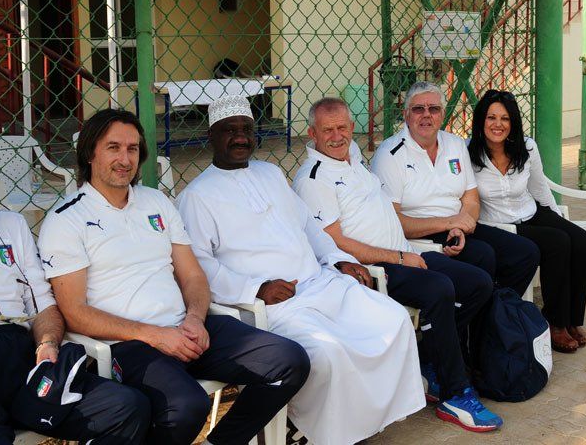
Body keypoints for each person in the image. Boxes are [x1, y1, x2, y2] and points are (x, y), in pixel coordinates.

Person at [37, 109, 310, 445]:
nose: (125, 159)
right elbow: (74, 311)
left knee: (289, 361)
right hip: (128, 345)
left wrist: (195, 319)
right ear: (90, 152)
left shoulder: (157, 202)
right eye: (113, 148)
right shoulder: (66, 219)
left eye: (133, 149)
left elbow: (193, 275)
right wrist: (155, 336)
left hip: (187, 327)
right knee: (186, 406)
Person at [177, 95, 424, 445]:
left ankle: (363, 423)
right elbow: (200, 266)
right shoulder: (196, 196)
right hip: (275, 306)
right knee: (327, 352)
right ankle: (314, 431)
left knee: (393, 319)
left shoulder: (271, 173)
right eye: (229, 130)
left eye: (246, 129)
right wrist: (255, 289)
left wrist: (337, 258)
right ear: (211, 136)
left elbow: (309, 225)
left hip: (322, 283)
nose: (240, 137)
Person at [0, 129, 150, 444]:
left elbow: (43, 305)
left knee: (127, 407)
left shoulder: (11, 225)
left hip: (21, 363)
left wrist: (47, 343)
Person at [292, 97, 501, 432]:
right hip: (374, 269)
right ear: (312, 133)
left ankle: (428, 358)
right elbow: (335, 243)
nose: (336, 136)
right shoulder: (314, 178)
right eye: (327, 130)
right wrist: (399, 258)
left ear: (352, 127)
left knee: (478, 283)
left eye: (342, 127)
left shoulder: (354, 161)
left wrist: (407, 252)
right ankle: (454, 393)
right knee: (439, 290)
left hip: (404, 251)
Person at [370, 81, 539, 297]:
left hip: (459, 225)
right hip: (421, 232)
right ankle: (484, 319)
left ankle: (496, 315)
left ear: (442, 114)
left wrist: (462, 225)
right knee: (483, 254)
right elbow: (392, 221)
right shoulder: (390, 154)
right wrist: (451, 222)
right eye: (418, 109)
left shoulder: (455, 144)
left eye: (434, 109)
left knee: (526, 252)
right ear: (406, 114)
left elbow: (471, 199)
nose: (426, 115)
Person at [468, 90, 586, 353]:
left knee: (581, 241)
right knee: (557, 243)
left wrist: (558, 218)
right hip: (500, 223)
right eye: (491, 117)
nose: (498, 124)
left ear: (513, 122)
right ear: (481, 120)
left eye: (505, 118)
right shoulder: (467, 153)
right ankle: (555, 323)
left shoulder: (526, 147)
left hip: (531, 211)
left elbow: (539, 189)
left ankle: (571, 318)